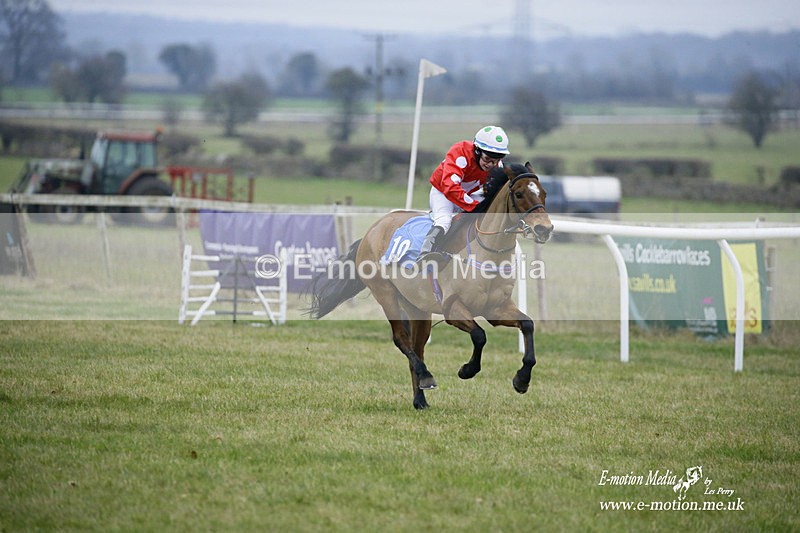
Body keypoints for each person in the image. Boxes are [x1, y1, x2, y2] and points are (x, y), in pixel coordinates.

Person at [417, 125, 510, 258]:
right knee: (444, 221)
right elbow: (450, 187)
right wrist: (473, 206)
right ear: (477, 151)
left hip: (467, 195)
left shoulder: (497, 167)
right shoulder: (460, 152)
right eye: (487, 159)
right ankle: (425, 252)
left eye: (495, 160)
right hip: (443, 192)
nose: (490, 165)